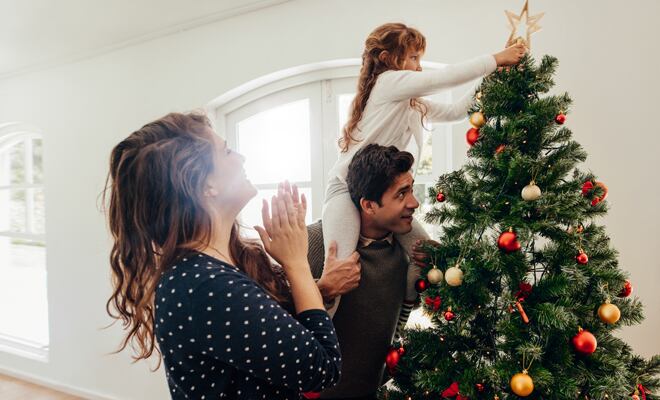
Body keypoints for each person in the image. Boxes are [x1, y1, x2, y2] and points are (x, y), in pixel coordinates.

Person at [104, 112, 341, 399]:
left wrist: (320, 286)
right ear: (206, 185)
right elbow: (322, 369)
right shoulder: (204, 285)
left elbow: (268, 334)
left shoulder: (223, 262)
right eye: (226, 151)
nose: (240, 157)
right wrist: (296, 262)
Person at [322, 22, 527, 316]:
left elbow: (457, 111)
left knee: (426, 253)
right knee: (340, 268)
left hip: (382, 191)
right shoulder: (388, 83)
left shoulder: (413, 104)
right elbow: (443, 78)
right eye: (414, 58)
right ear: (389, 60)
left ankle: (401, 322)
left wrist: (493, 75)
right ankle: (317, 338)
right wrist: (496, 58)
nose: (419, 67)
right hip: (346, 189)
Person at [308, 144, 421, 399]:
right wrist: (323, 288)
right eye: (402, 194)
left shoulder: (405, 254)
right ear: (369, 205)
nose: (414, 202)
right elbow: (277, 317)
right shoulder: (316, 242)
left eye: (411, 189)